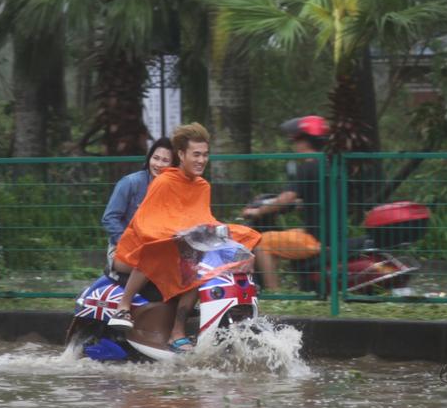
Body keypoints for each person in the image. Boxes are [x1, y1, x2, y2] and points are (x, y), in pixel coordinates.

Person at [108, 122, 260, 352]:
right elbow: (146, 224)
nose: (201, 160)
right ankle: (124, 305)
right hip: (136, 252)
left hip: (180, 250)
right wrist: (177, 236)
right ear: (181, 154)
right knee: (158, 249)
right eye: (196, 154)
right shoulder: (163, 182)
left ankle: (177, 331)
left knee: (200, 265)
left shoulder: (202, 186)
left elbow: (205, 223)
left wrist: (241, 249)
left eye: (205, 155)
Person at [242, 116, 329, 290]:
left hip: (315, 238)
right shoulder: (328, 164)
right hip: (328, 234)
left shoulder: (308, 166)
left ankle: (276, 296)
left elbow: (286, 198)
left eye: (295, 140)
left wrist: (257, 212)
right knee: (279, 238)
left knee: (262, 242)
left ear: (305, 141)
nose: (294, 145)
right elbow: (315, 196)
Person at [101, 137, 177, 272]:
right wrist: (127, 243)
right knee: (156, 267)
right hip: (122, 250)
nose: (158, 164)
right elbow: (109, 218)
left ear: (173, 165)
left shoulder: (173, 189)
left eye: (165, 161)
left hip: (156, 251)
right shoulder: (130, 183)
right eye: (156, 158)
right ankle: (127, 294)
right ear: (149, 158)